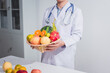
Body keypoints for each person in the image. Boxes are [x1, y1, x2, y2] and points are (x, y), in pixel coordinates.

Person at [31, 0, 83, 69]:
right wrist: (36, 43)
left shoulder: (76, 11)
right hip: (47, 58)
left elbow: (77, 35)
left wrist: (62, 43)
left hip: (64, 58)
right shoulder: (48, 11)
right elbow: (43, 33)